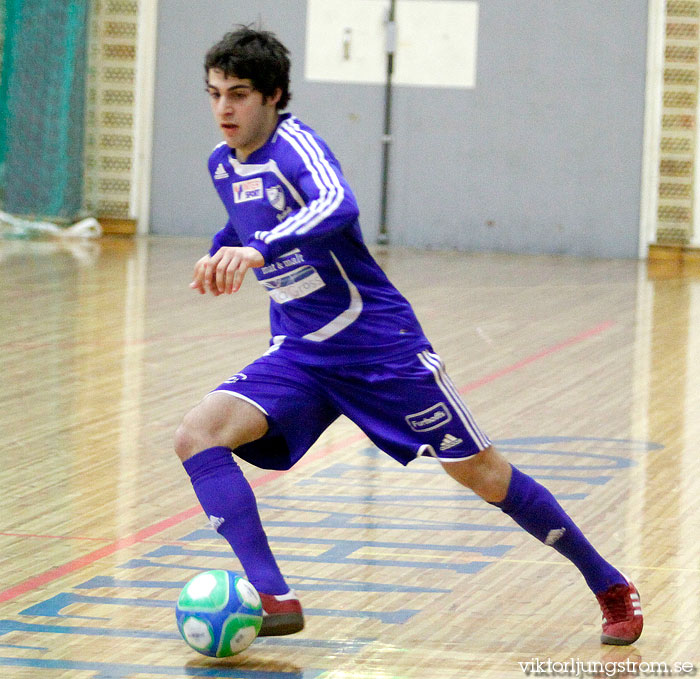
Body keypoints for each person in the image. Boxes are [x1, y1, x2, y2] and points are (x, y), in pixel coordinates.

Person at [174, 26, 643, 645]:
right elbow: (243, 222)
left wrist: (257, 251)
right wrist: (220, 254)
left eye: (238, 93)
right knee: (197, 435)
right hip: (300, 354)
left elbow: (336, 204)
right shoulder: (220, 163)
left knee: (482, 474)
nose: (224, 108)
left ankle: (608, 583)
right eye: (214, 94)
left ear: (274, 96)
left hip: (378, 348)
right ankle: (273, 595)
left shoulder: (297, 147)